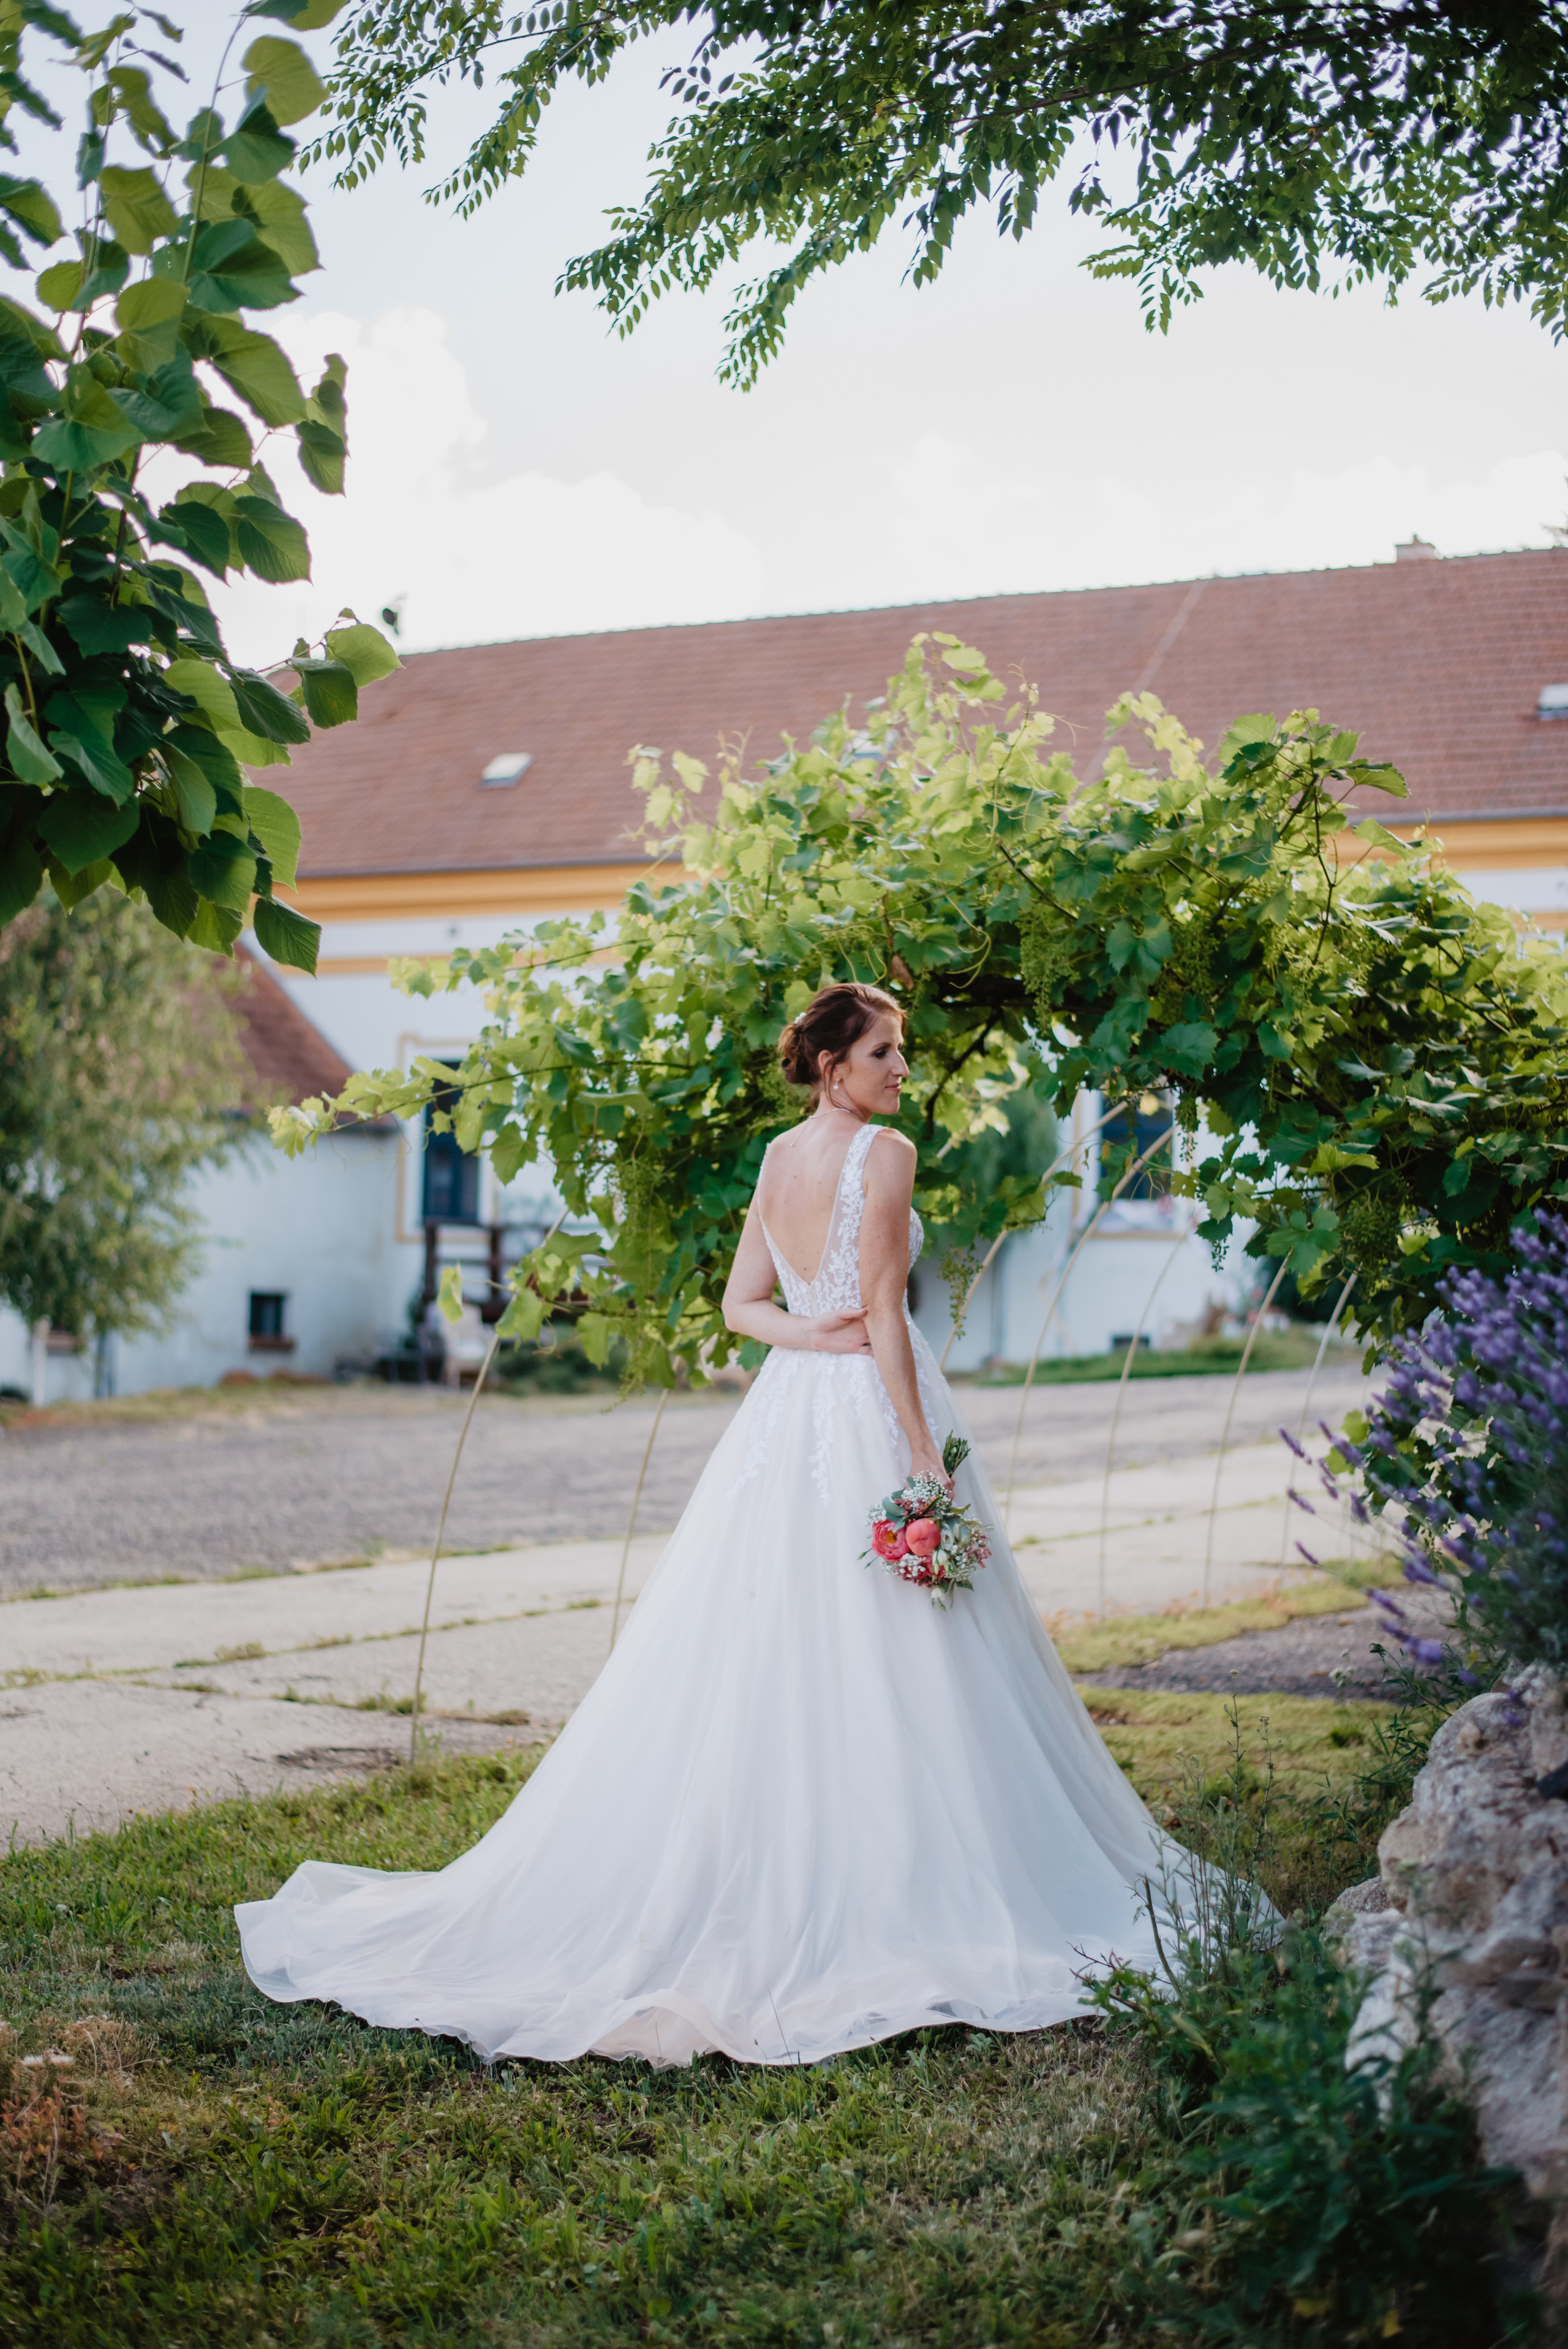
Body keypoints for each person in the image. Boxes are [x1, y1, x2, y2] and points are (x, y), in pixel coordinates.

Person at [237, 980, 1178, 2066]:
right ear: (835, 1066)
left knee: (782, 1633)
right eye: (883, 1053)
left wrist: (804, 1341)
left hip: (790, 1411)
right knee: (895, 1633)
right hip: (871, 1400)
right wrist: (919, 1448)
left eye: (901, 1053)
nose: (901, 1070)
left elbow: (743, 1305)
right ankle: (903, 1877)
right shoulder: (888, 1155)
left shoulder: (779, 1162)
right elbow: (880, 1308)